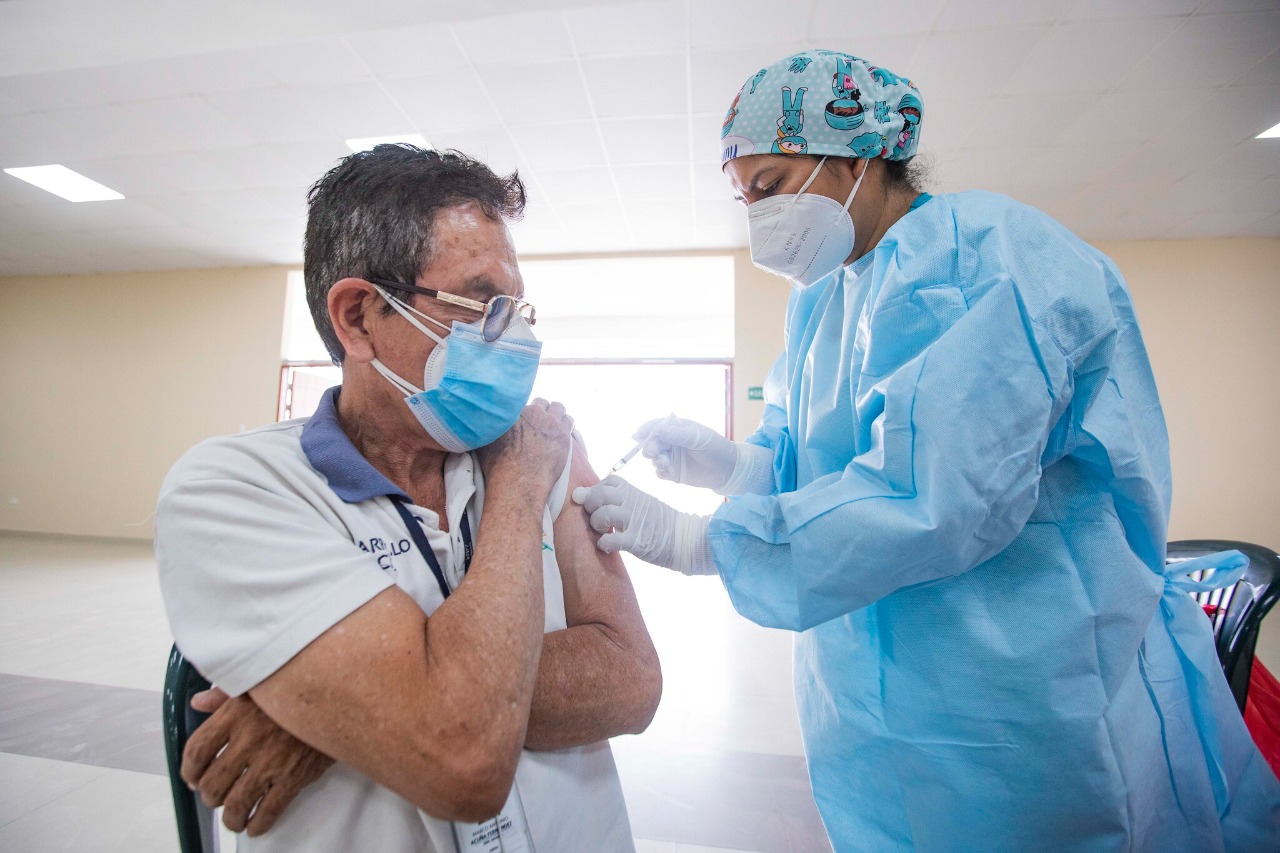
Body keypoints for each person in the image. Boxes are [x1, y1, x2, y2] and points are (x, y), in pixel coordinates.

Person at [573, 49, 1280, 851]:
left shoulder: (994, 264)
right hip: (879, 708)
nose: (759, 218)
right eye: (744, 199)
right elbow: (820, 469)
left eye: (769, 185)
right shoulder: (823, 303)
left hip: (1025, 699)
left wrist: (695, 540)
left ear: (861, 152)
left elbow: (931, 498)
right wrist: (729, 465)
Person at [156, 144, 661, 851]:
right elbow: (460, 753)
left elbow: (632, 678)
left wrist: (335, 716)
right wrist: (516, 493)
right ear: (359, 316)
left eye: (518, 309)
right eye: (482, 305)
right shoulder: (234, 488)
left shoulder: (547, 446)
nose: (516, 338)